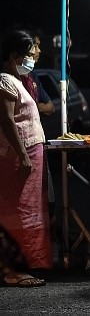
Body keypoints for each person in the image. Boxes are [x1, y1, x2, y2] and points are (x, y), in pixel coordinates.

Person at [0, 29, 50, 287]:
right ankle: (13, 270)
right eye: (28, 55)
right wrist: (22, 154)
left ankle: (22, 266)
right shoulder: (4, 81)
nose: (32, 59)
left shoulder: (17, 80)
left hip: (30, 152)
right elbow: (7, 121)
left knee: (28, 211)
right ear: (13, 55)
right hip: (18, 155)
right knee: (15, 212)